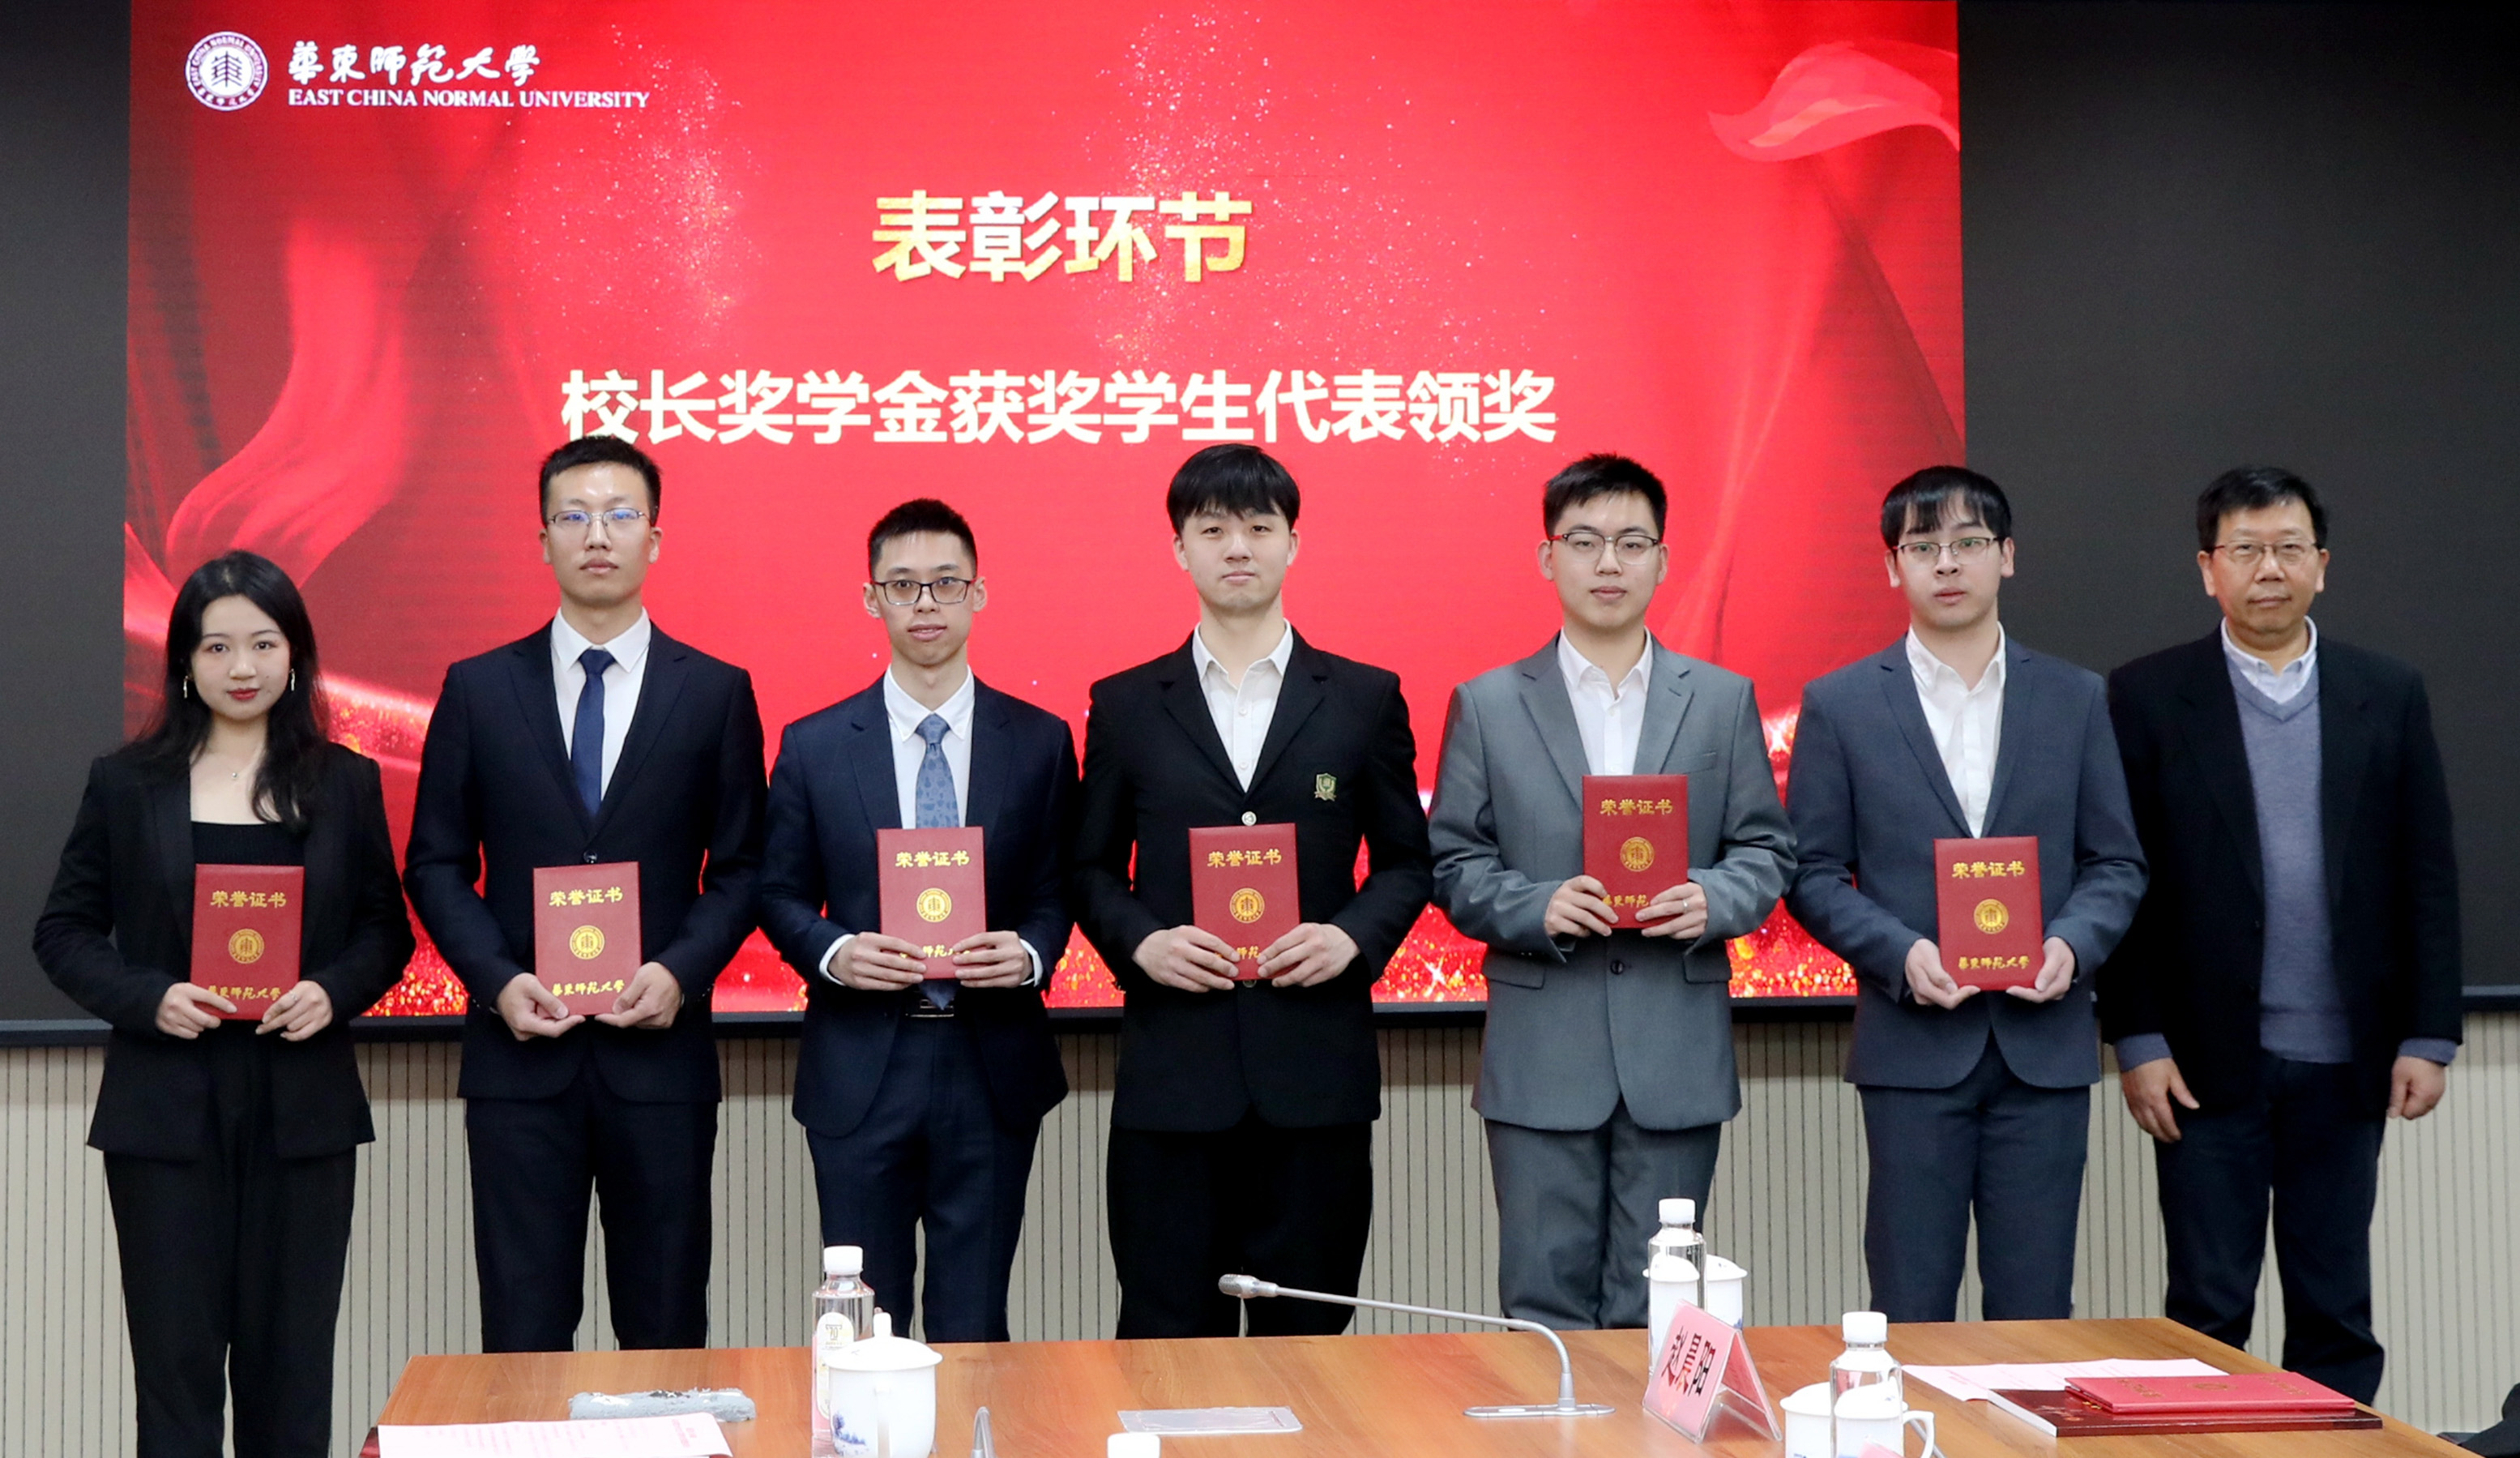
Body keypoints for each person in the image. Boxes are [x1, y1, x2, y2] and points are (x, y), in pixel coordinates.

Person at [34, 550, 412, 1458]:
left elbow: (385, 932)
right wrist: (149, 996)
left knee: (293, 1374)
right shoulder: (126, 783)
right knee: (176, 1377)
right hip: (165, 1111)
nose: (242, 667)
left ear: (295, 655)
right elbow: (64, 931)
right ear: (185, 662)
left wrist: (331, 990)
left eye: (263, 643)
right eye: (217, 647)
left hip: (302, 1111)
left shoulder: (344, 781)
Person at [2099, 467, 2459, 1402]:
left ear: (2321, 564)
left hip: (2345, 1058)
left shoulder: (2386, 690)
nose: (2269, 568)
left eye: (2288, 548)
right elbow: (2118, 877)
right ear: (2206, 568)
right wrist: (2135, 1037)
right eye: (2245, 549)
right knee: (2205, 1309)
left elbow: (2426, 871)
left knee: (2333, 1309)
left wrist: (2428, 1033)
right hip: (2200, 1062)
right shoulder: (2145, 695)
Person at [404, 436, 766, 1353]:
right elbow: (435, 863)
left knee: (666, 1327)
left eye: (618, 514)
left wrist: (680, 972)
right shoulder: (478, 688)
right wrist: (497, 981)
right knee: (523, 1331)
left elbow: (742, 868)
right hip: (521, 1060)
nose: (596, 535)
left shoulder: (715, 691)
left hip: (661, 1062)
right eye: (573, 516)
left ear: (654, 538)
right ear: (542, 541)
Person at [1070, 443, 1433, 1338]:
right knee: (1165, 1341)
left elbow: (1406, 861)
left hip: (1314, 1078)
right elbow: (1085, 868)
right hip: (1173, 1080)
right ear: (1179, 549)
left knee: (1306, 1343)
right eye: (1213, 529)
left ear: (1293, 543)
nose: (1238, 547)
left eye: (1259, 527)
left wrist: (1351, 937)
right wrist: (1142, 942)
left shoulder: (1363, 697)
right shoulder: (1125, 704)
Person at [1426, 453, 1793, 1330]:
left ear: (1663, 561)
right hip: (1541, 1052)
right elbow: (1452, 861)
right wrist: (1535, 906)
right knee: (1541, 1308)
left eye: (1632, 542)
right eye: (1584, 541)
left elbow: (1766, 849)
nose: (1608, 563)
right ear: (1546, 557)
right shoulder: (1487, 703)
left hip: (1674, 1048)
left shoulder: (1719, 700)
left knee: (1661, 1306)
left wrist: (1712, 897)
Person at [1783, 465, 2145, 1323]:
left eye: (1968, 542)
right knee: (1909, 1307)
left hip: (2042, 1048)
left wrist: (2070, 944)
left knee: (2035, 1312)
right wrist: (1900, 953)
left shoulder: (2074, 696)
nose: (1946, 562)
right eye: (1922, 546)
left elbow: (2115, 862)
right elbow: (1810, 872)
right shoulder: (1840, 704)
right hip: (1912, 1049)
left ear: (2006, 555)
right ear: (1892, 566)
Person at [758, 498, 1074, 1341]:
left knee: (975, 1320)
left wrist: (1030, 953)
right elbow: (777, 892)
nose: (925, 602)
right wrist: (835, 951)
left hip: (990, 1060)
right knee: (868, 1323)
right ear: (872, 599)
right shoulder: (815, 744)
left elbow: (1055, 890)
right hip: (862, 1064)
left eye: (945, 583)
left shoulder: (1038, 741)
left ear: (979, 594)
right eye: (903, 585)